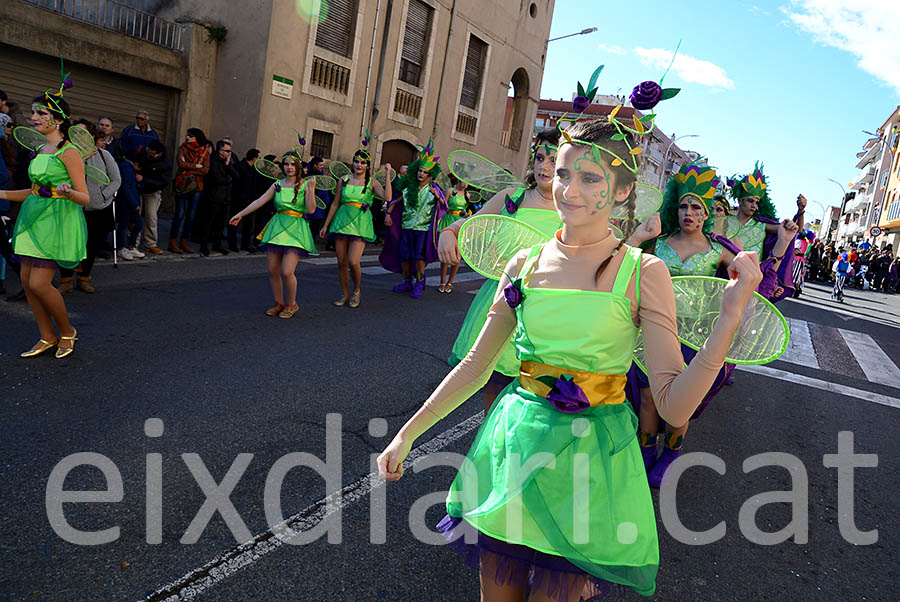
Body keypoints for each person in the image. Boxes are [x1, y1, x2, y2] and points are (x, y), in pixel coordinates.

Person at [377, 118, 763, 601]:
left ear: (623, 192)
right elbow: (477, 365)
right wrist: (405, 435)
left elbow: (672, 407)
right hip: (513, 453)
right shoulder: (523, 264)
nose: (568, 189)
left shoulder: (644, 272)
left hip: (589, 466)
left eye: (590, 178)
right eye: (562, 173)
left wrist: (728, 319)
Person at [626, 163, 796, 487]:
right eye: (685, 205)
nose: (689, 212)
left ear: (706, 215)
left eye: (697, 207)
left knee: (682, 400)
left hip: (694, 337)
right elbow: (624, 269)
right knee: (648, 395)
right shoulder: (657, 243)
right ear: (675, 209)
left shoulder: (719, 250)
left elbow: (751, 281)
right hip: (655, 330)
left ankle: (671, 455)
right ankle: (646, 449)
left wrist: (780, 248)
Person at [439, 128, 562, 413]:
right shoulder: (512, 197)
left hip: (546, 318)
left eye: (554, 160)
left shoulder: (571, 209)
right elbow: (465, 226)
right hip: (501, 304)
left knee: (535, 404)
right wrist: (448, 232)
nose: (544, 166)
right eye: (540, 157)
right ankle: (492, 451)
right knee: (493, 397)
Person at [0, 85, 90, 358]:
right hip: (33, 217)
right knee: (27, 283)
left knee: (40, 284)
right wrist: (1, 193)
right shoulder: (40, 149)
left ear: (59, 120)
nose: (34, 116)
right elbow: (34, 190)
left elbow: (85, 197)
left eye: (41, 112)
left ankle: (67, 331)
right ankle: (47, 336)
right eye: (33, 111)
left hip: (57, 221)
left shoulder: (69, 152)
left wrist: (69, 191)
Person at [229, 150, 317, 318]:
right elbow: (259, 201)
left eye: (293, 164)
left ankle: (291, 304)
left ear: (298, 166)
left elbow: (311, 209)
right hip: (277, 227)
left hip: (296, 229)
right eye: (286, 164)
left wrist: (311, 189)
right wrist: (241, 214)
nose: (289, 167)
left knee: (286, 271)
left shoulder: (306, 185)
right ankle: (278, 303)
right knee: (272, 270)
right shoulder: (277, 184)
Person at [319, 140, 392, 308]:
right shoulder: (343, 180)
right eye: (356, 161)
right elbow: (335, 203)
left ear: (367, 165)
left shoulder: (372, 182)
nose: (359, 164)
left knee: (353, 262)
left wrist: (387, 175)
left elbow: (387, 197)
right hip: (341, 222)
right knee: (341, 261)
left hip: (360, 224)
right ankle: (345, 294)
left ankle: (357, 291)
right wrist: (326, 225)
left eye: (363, 162)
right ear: (353, 163)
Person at [57, 121, 121, 293]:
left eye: (83, 132)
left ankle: (84, 279)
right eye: (75, 132)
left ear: (91, 136)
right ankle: (66, 280)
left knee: (91, 246)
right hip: (71, 208)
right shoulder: (65, 154)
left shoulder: (103, 154)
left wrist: (102, 195)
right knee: (68, 245)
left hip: (97, 209)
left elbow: (116, 179)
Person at [727, 167, 805, 300]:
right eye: (750, 201)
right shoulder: (726, 222)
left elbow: (791, 230)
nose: (754, 205)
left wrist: (801, 211)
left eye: (757, 202)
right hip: (726, 275)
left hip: (752, 280)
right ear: (740, 201)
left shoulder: (761, 225)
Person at [380, 140, 444, 299]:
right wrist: (388, 214)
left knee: (419, 258)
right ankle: (407, 281)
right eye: (419, 171)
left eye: (424, 172)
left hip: (422, 230)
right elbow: (395, 202)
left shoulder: (434, 190)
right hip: (406, 227)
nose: (421, 174)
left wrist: (439, 199)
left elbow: (444, 207)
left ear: (430, 175)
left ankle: (420, 283)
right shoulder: (408, 188)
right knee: (404, 256)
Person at [168, 128, 210, 254]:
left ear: (197, 137)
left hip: (197, 186)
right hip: (182, 185)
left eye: (191, 135)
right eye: (187, 135)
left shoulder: (204, 150)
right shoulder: (183, 148)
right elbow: (181, 164)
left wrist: (189, 168)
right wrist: (196, 166)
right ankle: (172, 242)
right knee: (179, 214)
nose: (188, 137)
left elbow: (206, 170)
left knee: (191, 216)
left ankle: (184, 242)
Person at [199, 139, 238, 256]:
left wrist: (228, 165)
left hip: (225, 198)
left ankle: (217, 245)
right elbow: (217, 179)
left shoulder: (226, 162)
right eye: (227, 151)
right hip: (213, 197)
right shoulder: (213, 161)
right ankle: (204, 246)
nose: (229, 153)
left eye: (230, 151)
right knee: (208, 223)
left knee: (220, 224)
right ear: (220, 151)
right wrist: (228, 180)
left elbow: (236, 177)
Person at [437, 175, 470, 293]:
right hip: (448, 220)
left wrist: (466, 213)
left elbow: (467, 209)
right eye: (464, 181)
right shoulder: (450, 191)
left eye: (467, 183)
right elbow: (443, 206)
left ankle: (450, 282)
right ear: (459, 180)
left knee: (457, 254)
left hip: (460, 223)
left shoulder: (467, 195)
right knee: (446, 254)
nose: (465, 184)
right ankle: (442, 281)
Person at [136, 140, 171, 255]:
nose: (150, 155)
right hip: (139, 189)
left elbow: (162, 182)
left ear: (159, 154)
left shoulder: (165, 164)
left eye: (153, 153)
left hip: (153, 191)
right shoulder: (142, 156)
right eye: (149, 152)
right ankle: (133, 244)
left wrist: (144, 180)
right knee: (136, 217)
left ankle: (150, 244)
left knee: (151, 217)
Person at [233, 148, 262, 252]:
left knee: (249, 224)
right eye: (259, 157)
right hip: (239, 199)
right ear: (254, 158)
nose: (260, 159)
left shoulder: (255, 169)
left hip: (251, 200)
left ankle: (245, 245)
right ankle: (233, 245)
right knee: (235, 222)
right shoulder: (239, 166)